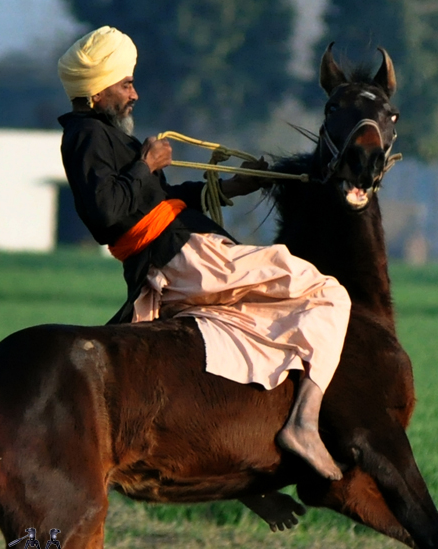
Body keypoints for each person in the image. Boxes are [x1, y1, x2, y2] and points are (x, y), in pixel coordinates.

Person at [57, 26, 351, 481]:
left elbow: (160, 198)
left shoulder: (104, 135)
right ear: (97, 93)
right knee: (329, 292)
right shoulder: (86, 137)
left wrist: (234, 186)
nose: (134, 93)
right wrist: (145, 165)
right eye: (125, 84)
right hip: (185, 257)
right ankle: (304, 424)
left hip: (178, 252)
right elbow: (105, 213)